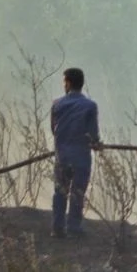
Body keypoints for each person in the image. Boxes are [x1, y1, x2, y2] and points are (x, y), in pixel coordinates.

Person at [49, 67, 101, 238]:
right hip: (81, 158)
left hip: (62, 156)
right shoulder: (90, 106)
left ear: (68, 83)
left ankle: (57, 228)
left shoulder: (56, 104)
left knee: (60, 192)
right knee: (77, 192)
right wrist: (96, 144)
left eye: (64, 82)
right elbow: (92, 135)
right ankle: (74, 227)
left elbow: (53, 129)